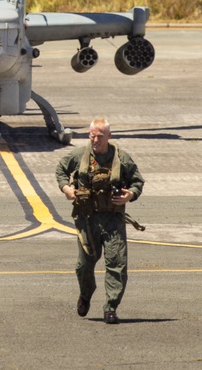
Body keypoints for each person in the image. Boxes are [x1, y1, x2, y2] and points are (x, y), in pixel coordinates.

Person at [55, 118, 145, 324]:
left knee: (117, 264)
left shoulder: (121, 159)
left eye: (99, 136)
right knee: (83, 265)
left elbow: (138, 181)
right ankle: (85, 294)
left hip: (113, 220)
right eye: (92, 135)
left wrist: (129, 195)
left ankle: (111, 307)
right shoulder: (80, 156)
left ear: (108, 137)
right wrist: (66, 188)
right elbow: (60, 169)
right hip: (87, 219)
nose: (95, 140)